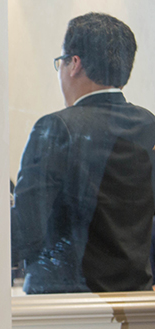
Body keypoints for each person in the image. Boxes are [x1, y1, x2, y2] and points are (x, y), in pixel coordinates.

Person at [11, 13, 155, 294]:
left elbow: (28, 229)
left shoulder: (56, 127)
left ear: (74, 63)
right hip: (136, 300)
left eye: (60, 62)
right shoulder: (149, 125)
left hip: (65, 304)